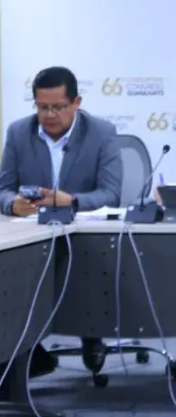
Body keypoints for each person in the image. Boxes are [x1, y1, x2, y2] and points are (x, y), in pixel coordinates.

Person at [0, 66, 122, 377]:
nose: (49, 114)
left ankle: (90, 330)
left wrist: (74, 201)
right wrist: (13, 205)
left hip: (83, 234)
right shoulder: (17, 132)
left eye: (58, 107)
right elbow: (3, 189)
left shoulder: (102, 132)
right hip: (32, 233)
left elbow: (112, 193)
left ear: (76, 102)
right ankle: (25, 355)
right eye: (42, 107)